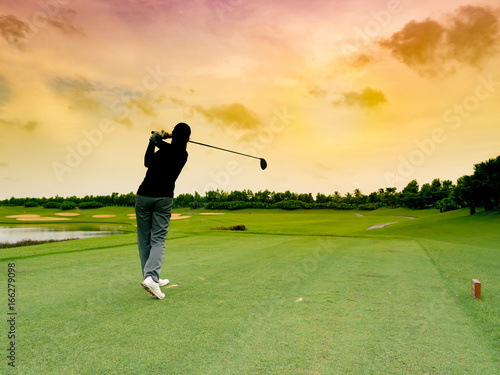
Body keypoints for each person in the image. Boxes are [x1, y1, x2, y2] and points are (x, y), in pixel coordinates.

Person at [135, 123, 191, 299]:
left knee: (145, 239)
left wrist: (154, 140)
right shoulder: (182, 154)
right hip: (163, 199)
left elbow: (147, 161)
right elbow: (149, 161)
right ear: (187, 138)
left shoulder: (166, 150)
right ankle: (152, 277)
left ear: (174, 135)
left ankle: (150, 277)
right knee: (158, 238)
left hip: (143, 196)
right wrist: (160, 139)